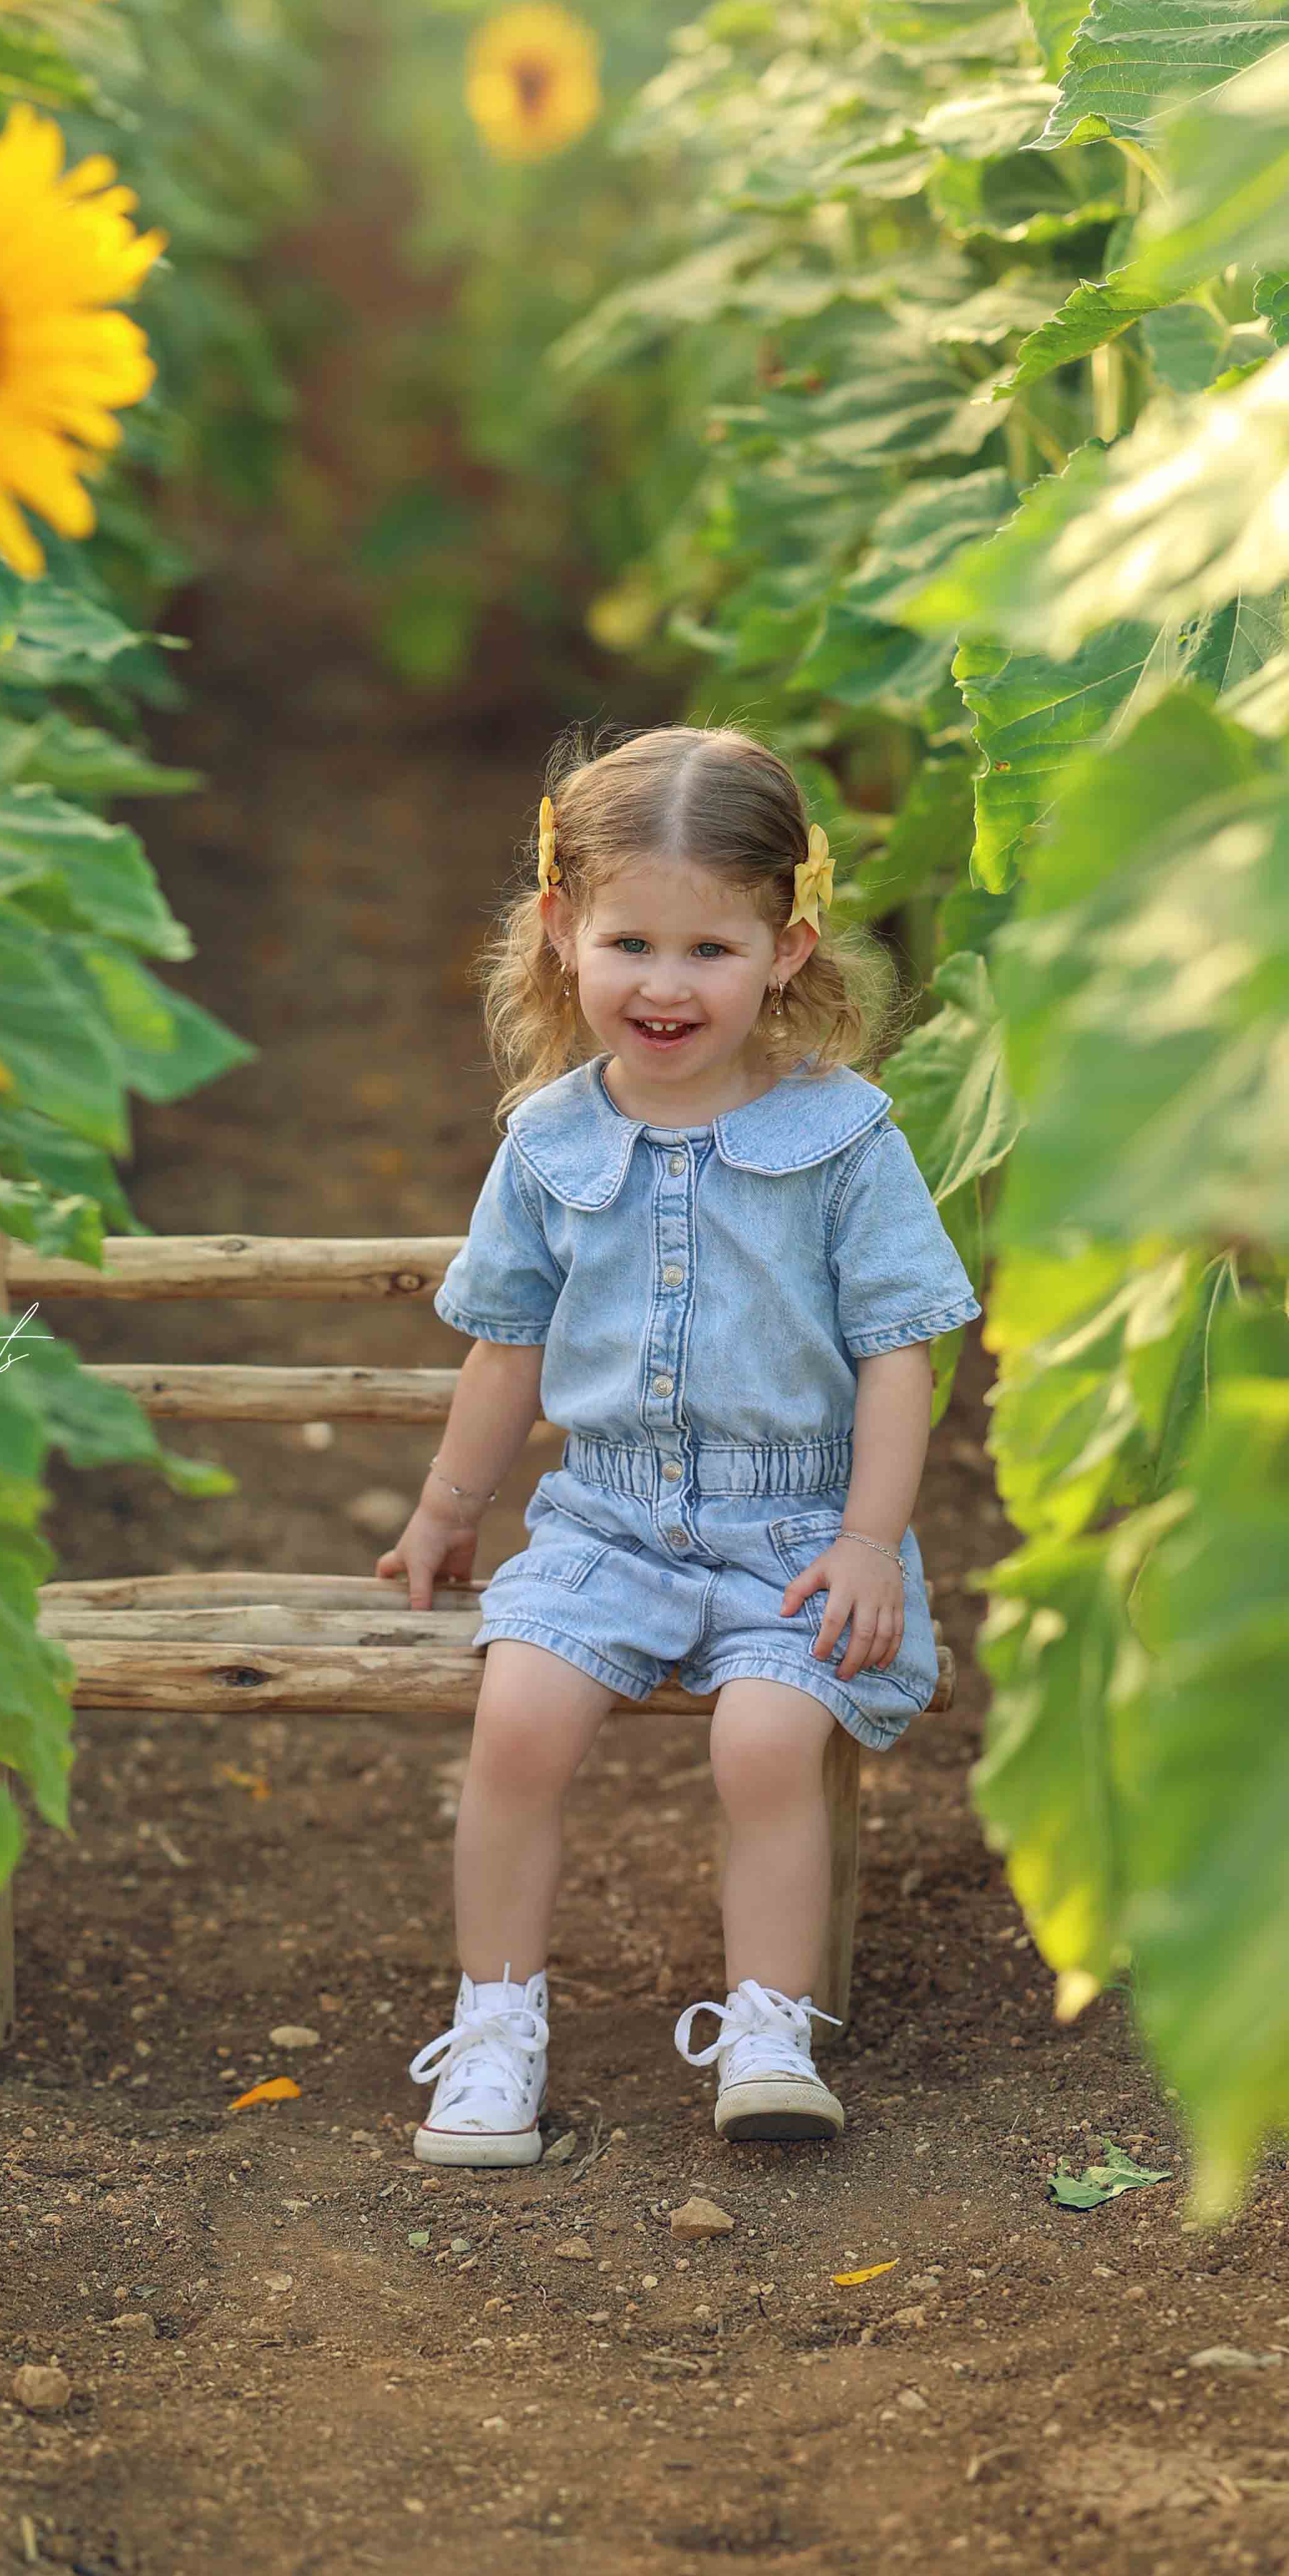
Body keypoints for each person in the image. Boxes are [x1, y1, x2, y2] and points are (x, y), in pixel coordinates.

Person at [378, 724, 981, 2166]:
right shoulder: (547, 1143)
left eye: (710, 949)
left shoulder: (845, 1140)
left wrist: (865, 1541)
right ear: (561, 930)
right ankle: (495, 2024)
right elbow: (509, 1352)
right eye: (630, 941)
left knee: (766, 1740)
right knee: (517, 1721)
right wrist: (449, 1507)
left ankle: (769, 2027)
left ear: (786, 949)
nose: (663, 984)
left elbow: (901, 1354)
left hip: (797, 1530)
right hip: (610, 1522)